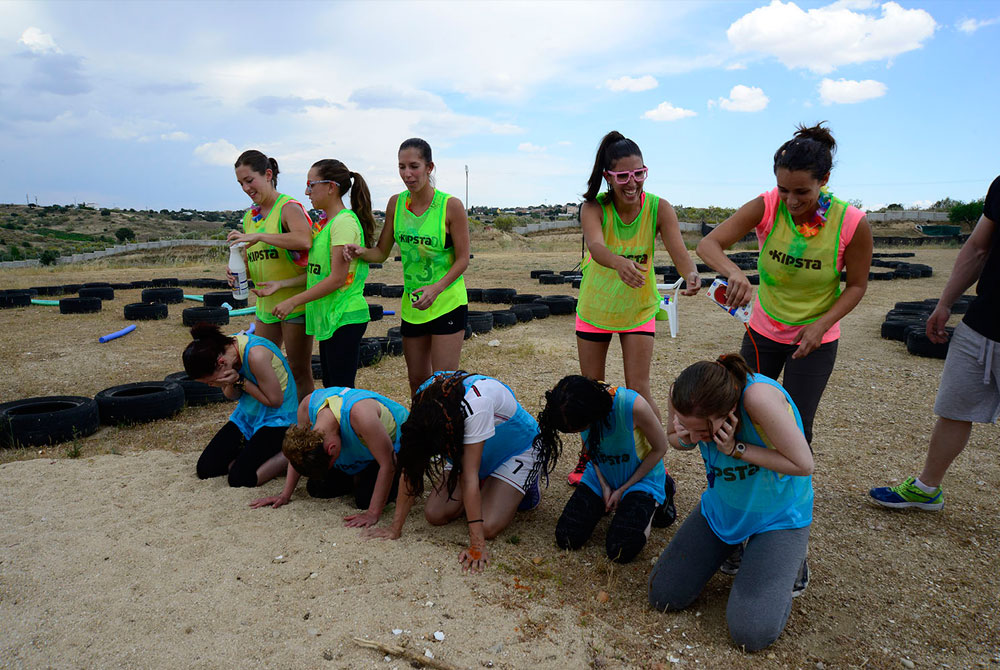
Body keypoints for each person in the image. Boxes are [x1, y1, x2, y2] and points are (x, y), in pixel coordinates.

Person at [697, 123, 872, 446]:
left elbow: (856, 286)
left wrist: (821, 326)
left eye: (802, 191)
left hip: (813, 338)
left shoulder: (851, 223)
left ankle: (791, 495)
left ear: (824, 181)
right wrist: (733, 271)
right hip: (763, 330)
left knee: (795, 424)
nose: (791, 201)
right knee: (738, 412)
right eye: (783, 189)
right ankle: (737, 490)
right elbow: (708, 245)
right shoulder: (767, 204)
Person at [648, 354, 813, 652]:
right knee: (663, 595)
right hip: (724, 507)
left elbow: (803, 464)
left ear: (730, 410)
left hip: (778, 515)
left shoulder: (758, 399)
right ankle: (736, 547)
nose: (699, 439)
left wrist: (737, 448)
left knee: (751, 633)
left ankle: (790, 560)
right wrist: (685, 437)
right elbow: (675, 438)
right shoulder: (682, 393)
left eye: (704, 431)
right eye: (691, 426)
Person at [568, 131, 699, 488]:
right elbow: (595, 246)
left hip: (639, 308)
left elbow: (678, 248)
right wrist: (618, 262)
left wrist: (690, 273)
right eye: (623, 176)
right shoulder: (594, 207)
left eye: (639, 174)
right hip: (596, 308)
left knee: (638, 389)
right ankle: (589, 455)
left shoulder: (659, 207)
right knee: (592, 390)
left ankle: (654, 457)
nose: (632, 183)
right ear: (608, 176)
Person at [869, 176, 1000, 511]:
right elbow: (977, 248)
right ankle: (927, 488)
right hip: (982, 323)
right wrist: (945, 303)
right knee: (953, 411)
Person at [363, 371, 550, 573]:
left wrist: (477, 546)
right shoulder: (424, 403)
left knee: (487, 526)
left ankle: (524, 485)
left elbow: (469, 477)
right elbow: (411, 465)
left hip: (515, 450)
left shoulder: (478, 403)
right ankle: (487, 485)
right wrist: (395, 528)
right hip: (466, 450)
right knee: (435, 514)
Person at [344, 139, 470, 395]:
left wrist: (436, 289)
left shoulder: (450, 205)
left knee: (444, 384)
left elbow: (463, 259)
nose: (407, 174)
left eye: (414, 166)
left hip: (447, 303)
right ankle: (421, 434)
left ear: (429, 167)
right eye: (402, 167)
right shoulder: (396, 204)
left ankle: (447, 435)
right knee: (417, 382)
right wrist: (360, 252)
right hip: (413, 306)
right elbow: (381, 252)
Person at [252, 159, 376, 388]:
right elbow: (317, 273)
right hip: (331, 317)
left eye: (312, 185)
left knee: (340, 391)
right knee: (331, 386)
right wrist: (282, 285)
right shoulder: (325, 225)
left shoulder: (344, 224)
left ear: (331, 187)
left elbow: (337, 279)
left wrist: (293, 302)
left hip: (345, 316)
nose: (307, 192)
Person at [537, 375, 669, 564]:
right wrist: (604, 485)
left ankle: (662, 492)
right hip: (602, 475)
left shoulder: (632, 406)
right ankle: (610, 503)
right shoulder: (569, 402)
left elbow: (660, 448)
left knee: (620, 550)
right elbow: (591, 450)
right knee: (567, 537)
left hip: (641, 479)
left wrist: (623, 490)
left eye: (578, 428)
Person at [250, 386, 408, 528]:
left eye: (331, 463)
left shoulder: (361, 416)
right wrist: (285, 495)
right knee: (316, 488)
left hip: (392, 449)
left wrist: (373, 513)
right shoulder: (307, 406)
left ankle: (362, 478)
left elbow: (388, 464)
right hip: (358, 451)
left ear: (331, 449)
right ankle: (358, 477)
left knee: (364, 500)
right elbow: (298, 452)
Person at [227, 149, 315, 401]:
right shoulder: (250, 217)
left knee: (299, 371)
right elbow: (252, 256)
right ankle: (274, 420)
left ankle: (306, 425)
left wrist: (261, 235)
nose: (245, 188)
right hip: (265, 303)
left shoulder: (287, 207)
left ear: (267, 175)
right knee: (262, 366)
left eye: (249, 180)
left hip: (294, 302)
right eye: (240, 183)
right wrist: (235, 271)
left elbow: (304, 239)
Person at [183, 322, 298, 488]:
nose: (210, 385)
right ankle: (252, 457)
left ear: (221, 362)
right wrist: (230, 383)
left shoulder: (255, 355)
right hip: (249, 416)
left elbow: (275, 401)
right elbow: (231, 395)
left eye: (211, 381)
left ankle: (290, 453)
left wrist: (240, 380)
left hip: (279, 419)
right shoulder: (223, 350)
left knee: (240, 478)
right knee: (206, 469)